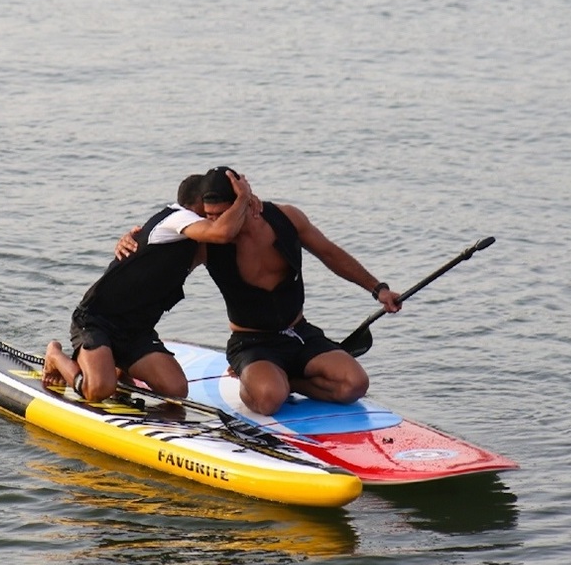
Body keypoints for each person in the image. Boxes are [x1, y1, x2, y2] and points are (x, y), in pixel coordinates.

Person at [196, 166, 402, 416]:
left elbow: (329, 253)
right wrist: (134, 240)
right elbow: (160, 265)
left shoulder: (286, 218)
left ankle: (287, 380)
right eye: (209, 216)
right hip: (252, 343)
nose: (216, 224)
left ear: (244, 203)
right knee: (270, 400)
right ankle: (253, 377)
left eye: (222, 214)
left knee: (354, 385)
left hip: (299, 333)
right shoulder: (205, 242)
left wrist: (377, 288)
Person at [43, 170, 254, 402]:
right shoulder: (178, 217)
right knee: (99, 389)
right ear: (197, 206)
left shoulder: (196, 242)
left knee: (176, 391)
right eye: (211, 213)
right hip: (97, 321)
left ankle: (118, 365)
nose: (217, 218)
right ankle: (56, 356)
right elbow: (222, 232)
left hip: (136, 332)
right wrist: (243, 197)